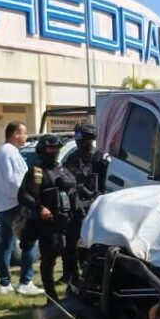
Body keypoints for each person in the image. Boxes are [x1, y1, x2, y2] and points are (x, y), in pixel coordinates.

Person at [18, 135, 78, 304]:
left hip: (67, 223)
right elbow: (22, 195)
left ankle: (73, 293)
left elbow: (74, 194)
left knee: (71, 258)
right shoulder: (35, 172)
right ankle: (51, 298)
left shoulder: (63, 170)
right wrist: (40, 208)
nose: (52, 152)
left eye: (55, 149)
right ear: (42, 151)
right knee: (48, 261)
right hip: (47, 225)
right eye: (49, 149)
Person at [0, 122, 42, 295]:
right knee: (30, 243)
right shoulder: (10, 153)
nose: (26, 136)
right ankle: (25, 282)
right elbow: (14, 182)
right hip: (14, 205)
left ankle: (5, 283)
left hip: (1, 206)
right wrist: (27, 200)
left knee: (6, 245)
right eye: (24, 133)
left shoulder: (1, 152)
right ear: (15, 134)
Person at [61, 123, 109, 285]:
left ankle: (89, 275)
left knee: (90, 244)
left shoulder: (100, 158)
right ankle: (69, 275)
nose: (78, 142)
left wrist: (98, 198)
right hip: (75, 206)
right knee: (70, 243)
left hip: (94, 207)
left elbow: (107, 184)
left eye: (81, 138)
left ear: (90, 139)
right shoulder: (72, 158)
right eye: (77, 138)